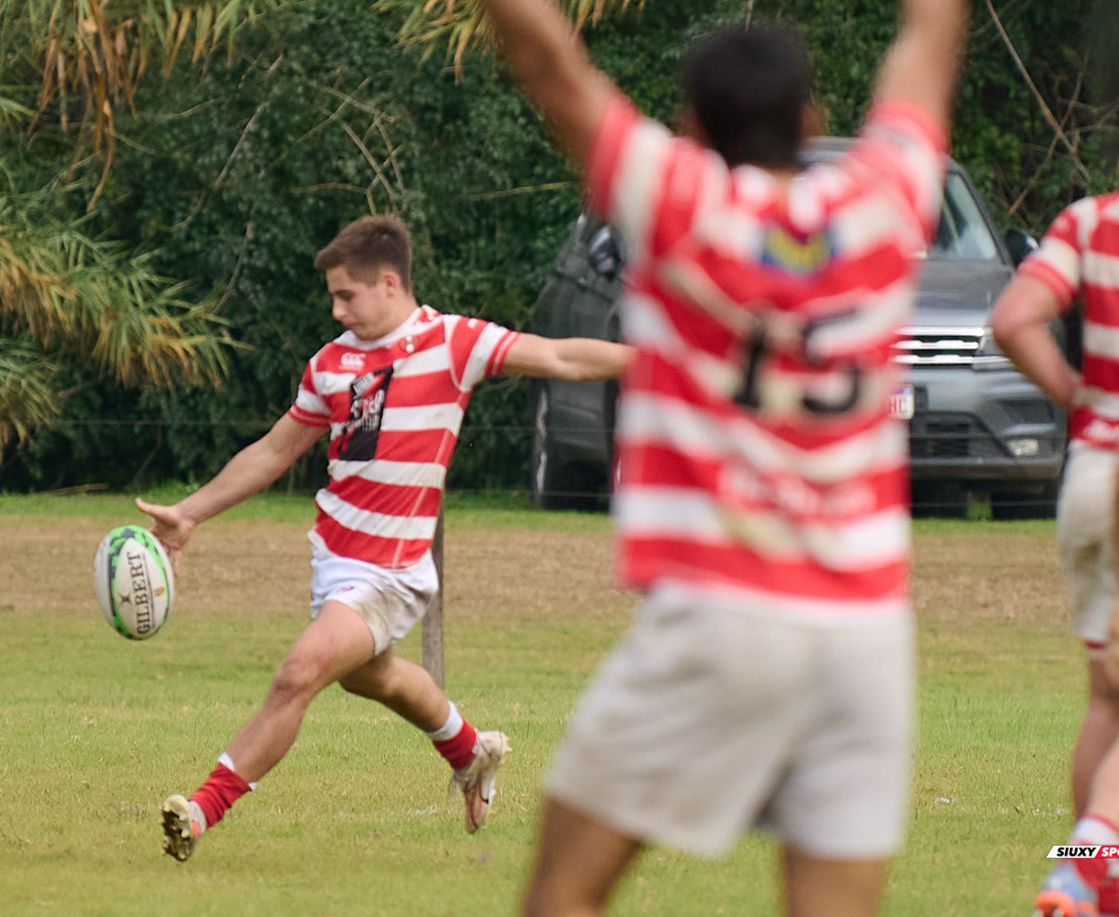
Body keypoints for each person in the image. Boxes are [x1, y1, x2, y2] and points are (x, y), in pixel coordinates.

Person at [474, 0, 966, 913]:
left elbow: (550, 61)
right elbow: (929, 39)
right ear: (813, 123)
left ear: (693, 128)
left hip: (722, 611)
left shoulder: (676, 196)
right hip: (865, 633)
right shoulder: (883, 198)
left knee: (562, 895)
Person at [137, 214, 632, 861]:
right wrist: (191, 512)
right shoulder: (331, 365)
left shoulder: (452, 342)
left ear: (390, 282)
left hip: (393, 569)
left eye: (347, 295)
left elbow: (561, 353)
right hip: (334, 558)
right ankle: (470, 751)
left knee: (299, 674)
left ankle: (201, 810)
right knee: (375, 677)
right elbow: (273, 450)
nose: (337, 309)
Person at [994, 49, 1119, 917]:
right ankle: (1081, 866)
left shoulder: (1095, 218)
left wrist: (1080, 397)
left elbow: (1013, 318)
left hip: (1093, 474)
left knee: (1108, 692)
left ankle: (1095, 900)